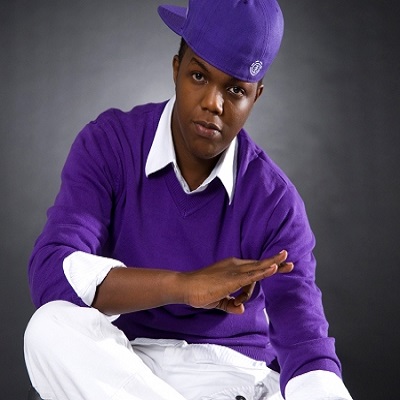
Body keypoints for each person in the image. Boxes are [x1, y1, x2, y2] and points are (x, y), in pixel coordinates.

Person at [24, 1, 353, 399]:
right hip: (123, 366)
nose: (213, 103)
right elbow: (52, 272)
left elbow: (305, 341)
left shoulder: (274, 200)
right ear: (176, 69)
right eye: (199, 75)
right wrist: (182, 286)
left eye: (236, 89)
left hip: (229, 377)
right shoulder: (110, 143)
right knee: (48, 326)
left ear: (256, 97)